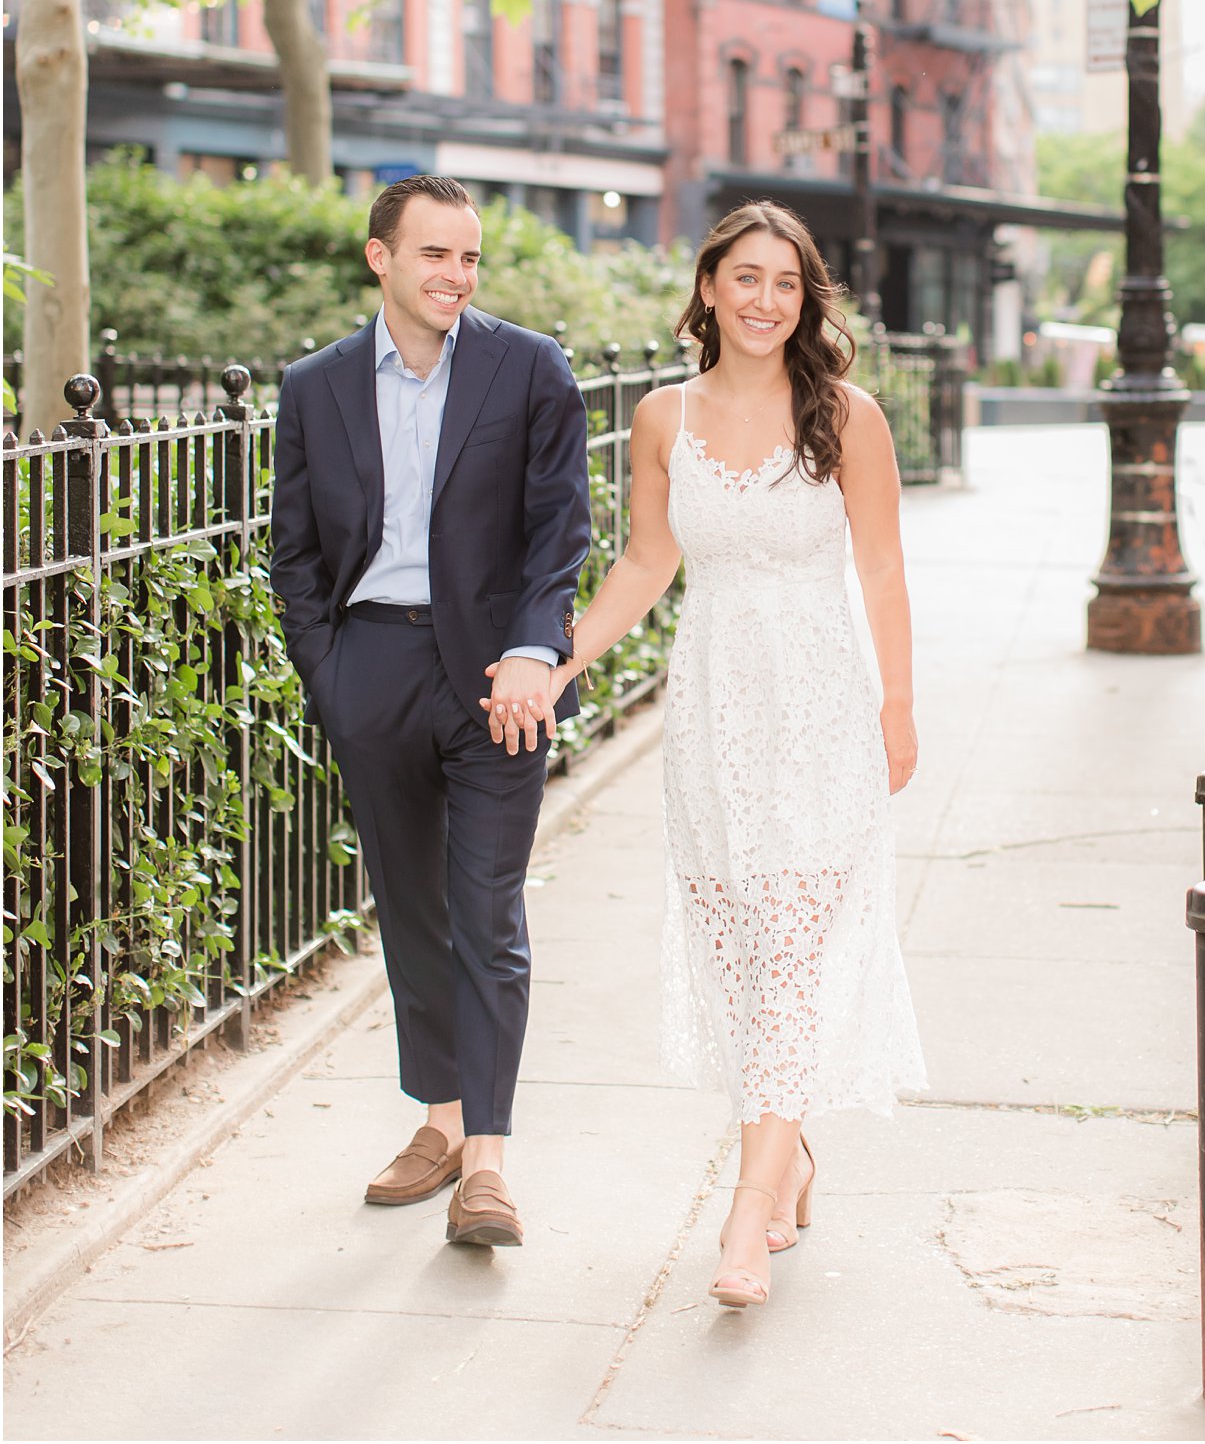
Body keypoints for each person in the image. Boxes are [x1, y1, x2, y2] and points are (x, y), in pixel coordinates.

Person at [542, 200, 925, 1311]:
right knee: (741, 962)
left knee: (795, 959)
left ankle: (745, 1216)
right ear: (708, 288)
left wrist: (897, 708)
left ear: (807, 302)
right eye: (744, 278)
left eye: (786, 284)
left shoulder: (847, 417)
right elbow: (645, 563)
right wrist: (555, 664)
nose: (764, 300)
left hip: (818, 712)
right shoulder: (663, 418)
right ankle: (789, 1156)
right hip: (709, 716)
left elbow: (884, 573)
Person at [271, 174, 589, 1249]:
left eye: (470, 258)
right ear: (381, 259)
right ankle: (439, 1122)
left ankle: (488, 1163)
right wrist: (333, 679)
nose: (455, 276)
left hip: (498, 680)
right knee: (409, 908)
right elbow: (297, 557)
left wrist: (533, 650)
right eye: (434, 255)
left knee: (485, 911)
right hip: (373, 668)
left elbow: (559, 532)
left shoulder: (528, 368)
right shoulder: (314, 387)